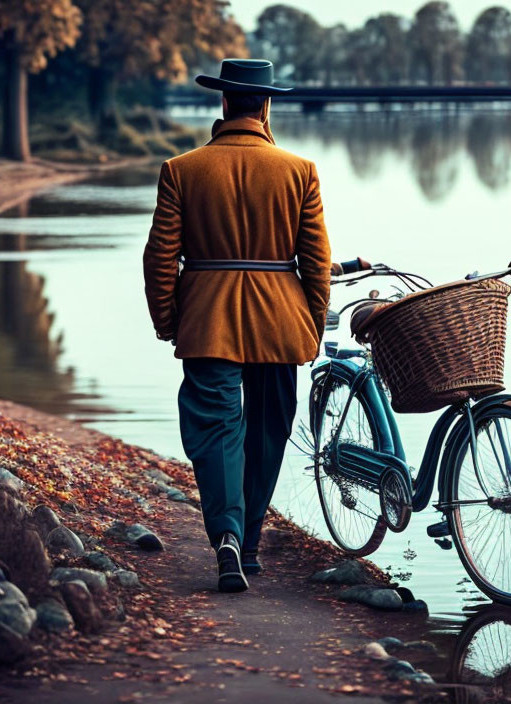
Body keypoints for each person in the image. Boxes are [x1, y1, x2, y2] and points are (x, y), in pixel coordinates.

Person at [143, 59, 332, 592]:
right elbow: (316, 262)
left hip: (207, 320)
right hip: (280, 323)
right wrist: (311, 327)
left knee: (218, 430)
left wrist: (167, 319)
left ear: (224, 103)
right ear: (266, 106)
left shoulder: (182, 169)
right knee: (268, 432)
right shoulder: (301, 171)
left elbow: (160, 259)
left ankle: (225, 536)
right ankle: (248, 543)